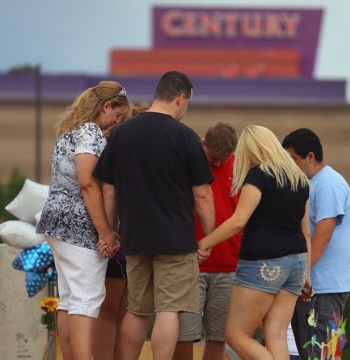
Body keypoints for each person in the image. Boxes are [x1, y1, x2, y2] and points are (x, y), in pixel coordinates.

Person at [93, 71, 215, 360]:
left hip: (136, 238)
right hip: (176, 240)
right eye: (188, 103)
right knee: (168, 310)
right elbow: (202, 195)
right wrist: (209, 237)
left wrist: (111, 230)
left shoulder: (123, 132)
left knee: (137, 310)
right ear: (181, 98)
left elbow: (108, 190)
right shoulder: (185, 137)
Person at [197, 125, 311, 360]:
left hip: (263, 264)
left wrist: (204, 242)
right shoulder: (299, 179)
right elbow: (306, 232)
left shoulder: (258, 175)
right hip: (297, 263)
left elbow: (238, 221)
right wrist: (307, 272)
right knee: (277, 335)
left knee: (236, 334)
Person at [36, 81, 130, 360]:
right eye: (118, 114)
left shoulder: (68, 132)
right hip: (78, 227)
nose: (117, 121)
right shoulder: (90, 132)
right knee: (86, 301)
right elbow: (89, 183)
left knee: (68, 300)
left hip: (55, 223)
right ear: (106, 106)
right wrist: (105, 231)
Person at [282, 128, 350, 360]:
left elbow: (323, 234)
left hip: (323, 287)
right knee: (310, 351)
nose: (289, 164)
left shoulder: (329, 185)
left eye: (292, 159)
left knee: (318, 352)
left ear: (310, 157)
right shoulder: (315, 183)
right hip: (313, 285)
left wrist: (302, 274)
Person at [173, 122, 242, 360]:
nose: (219, 164)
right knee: (183, 333)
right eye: (214, 158)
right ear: (203, 144)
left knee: (218, 335)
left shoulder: (242, 168)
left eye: (225, 159)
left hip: (229, 263)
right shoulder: (187, 164)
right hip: (190, 261)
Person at [93, 104, 147, 360]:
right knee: (121, 309)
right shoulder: (125, 155)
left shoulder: (116, 152)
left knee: (114, 309)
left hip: (121, 239)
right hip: (126, 239)